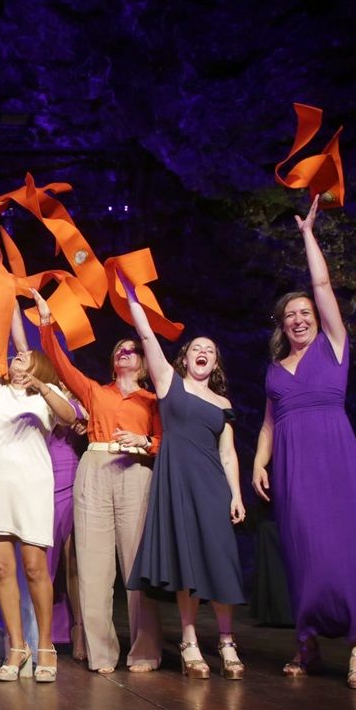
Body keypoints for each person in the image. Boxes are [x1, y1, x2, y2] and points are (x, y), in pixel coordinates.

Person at [252, 196, 356, 689]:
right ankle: (308, 642)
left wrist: (308, 234)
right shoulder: (275, 370)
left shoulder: (334, 347)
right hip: (293, 469)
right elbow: (270, 423)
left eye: (304, 312)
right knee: (303, 552)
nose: (297, 318)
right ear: (281, 325)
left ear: (317, 317)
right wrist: (259, 463)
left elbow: (321, 284)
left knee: (351, 549)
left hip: (336, 461)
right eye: (288, 315)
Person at [116, 272, 248, 680]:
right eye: (196, 348)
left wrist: (236, 496)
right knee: (187, 563)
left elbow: (228, 453)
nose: (203, 352)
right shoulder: (169, 384)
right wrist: (134, 296)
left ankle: (226, 641)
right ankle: (189, 641)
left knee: (220, 559)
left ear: (215, 361)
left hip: (212, 486)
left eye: (210, 350)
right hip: (176, 486)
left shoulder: (223, 402)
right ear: (185, 358)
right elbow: (148, 336)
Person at [36, 288, 165, 674]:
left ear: (142, 363)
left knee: (136, 564)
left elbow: (165, 442)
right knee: (92, 566)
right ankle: (101, 652)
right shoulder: (95, 391)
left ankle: (144, 650)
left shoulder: (152, 400)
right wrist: (47, 322)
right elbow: (60, 363)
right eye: (119, 350)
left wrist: (145, 442)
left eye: (132, 350)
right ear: (113, 363)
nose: (124, 352)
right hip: (95, 469)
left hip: (135, 471)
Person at [0, 284, 77, 683]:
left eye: (23, 354)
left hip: (30, 487)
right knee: (2, 568)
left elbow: (68, 415)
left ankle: (45, 646)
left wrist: (43, 388)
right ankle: (16, 646)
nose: (16, 357)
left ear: (38, 365)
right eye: (15, 355)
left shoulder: (47, 393)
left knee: (34, 568)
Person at [10, 304, 85, 660]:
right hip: (38, 483)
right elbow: (24, 346)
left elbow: (74, 419)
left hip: (69, 482)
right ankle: (38, 633)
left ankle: (79, 631)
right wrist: (9, 304)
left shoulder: (64, 392)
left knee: (73, 562)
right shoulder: (27, 396)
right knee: (41, 563)